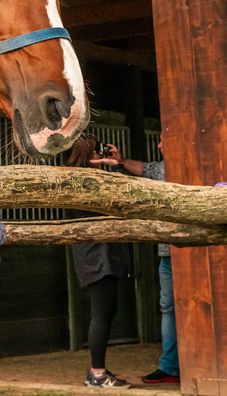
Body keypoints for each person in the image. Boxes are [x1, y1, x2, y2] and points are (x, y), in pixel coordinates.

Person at [90, 143, 179, 384]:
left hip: (184, 252)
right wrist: (120, 162)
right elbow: (147, 169)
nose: (160, 144)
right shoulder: (162, 168)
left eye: (164, 139)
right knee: (168, 308)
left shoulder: (180, 168)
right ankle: (171, 367)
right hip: (168, 252)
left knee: (174, 308)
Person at [67, 136, 132, 389]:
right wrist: (113, 168)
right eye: (98, 151)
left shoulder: (83, 176)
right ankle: (97, 373)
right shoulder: (82, 180)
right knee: (101, 314)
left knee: (105, 313)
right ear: (90, 153)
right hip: (97, 256)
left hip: (98, 255)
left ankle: (97, 370)